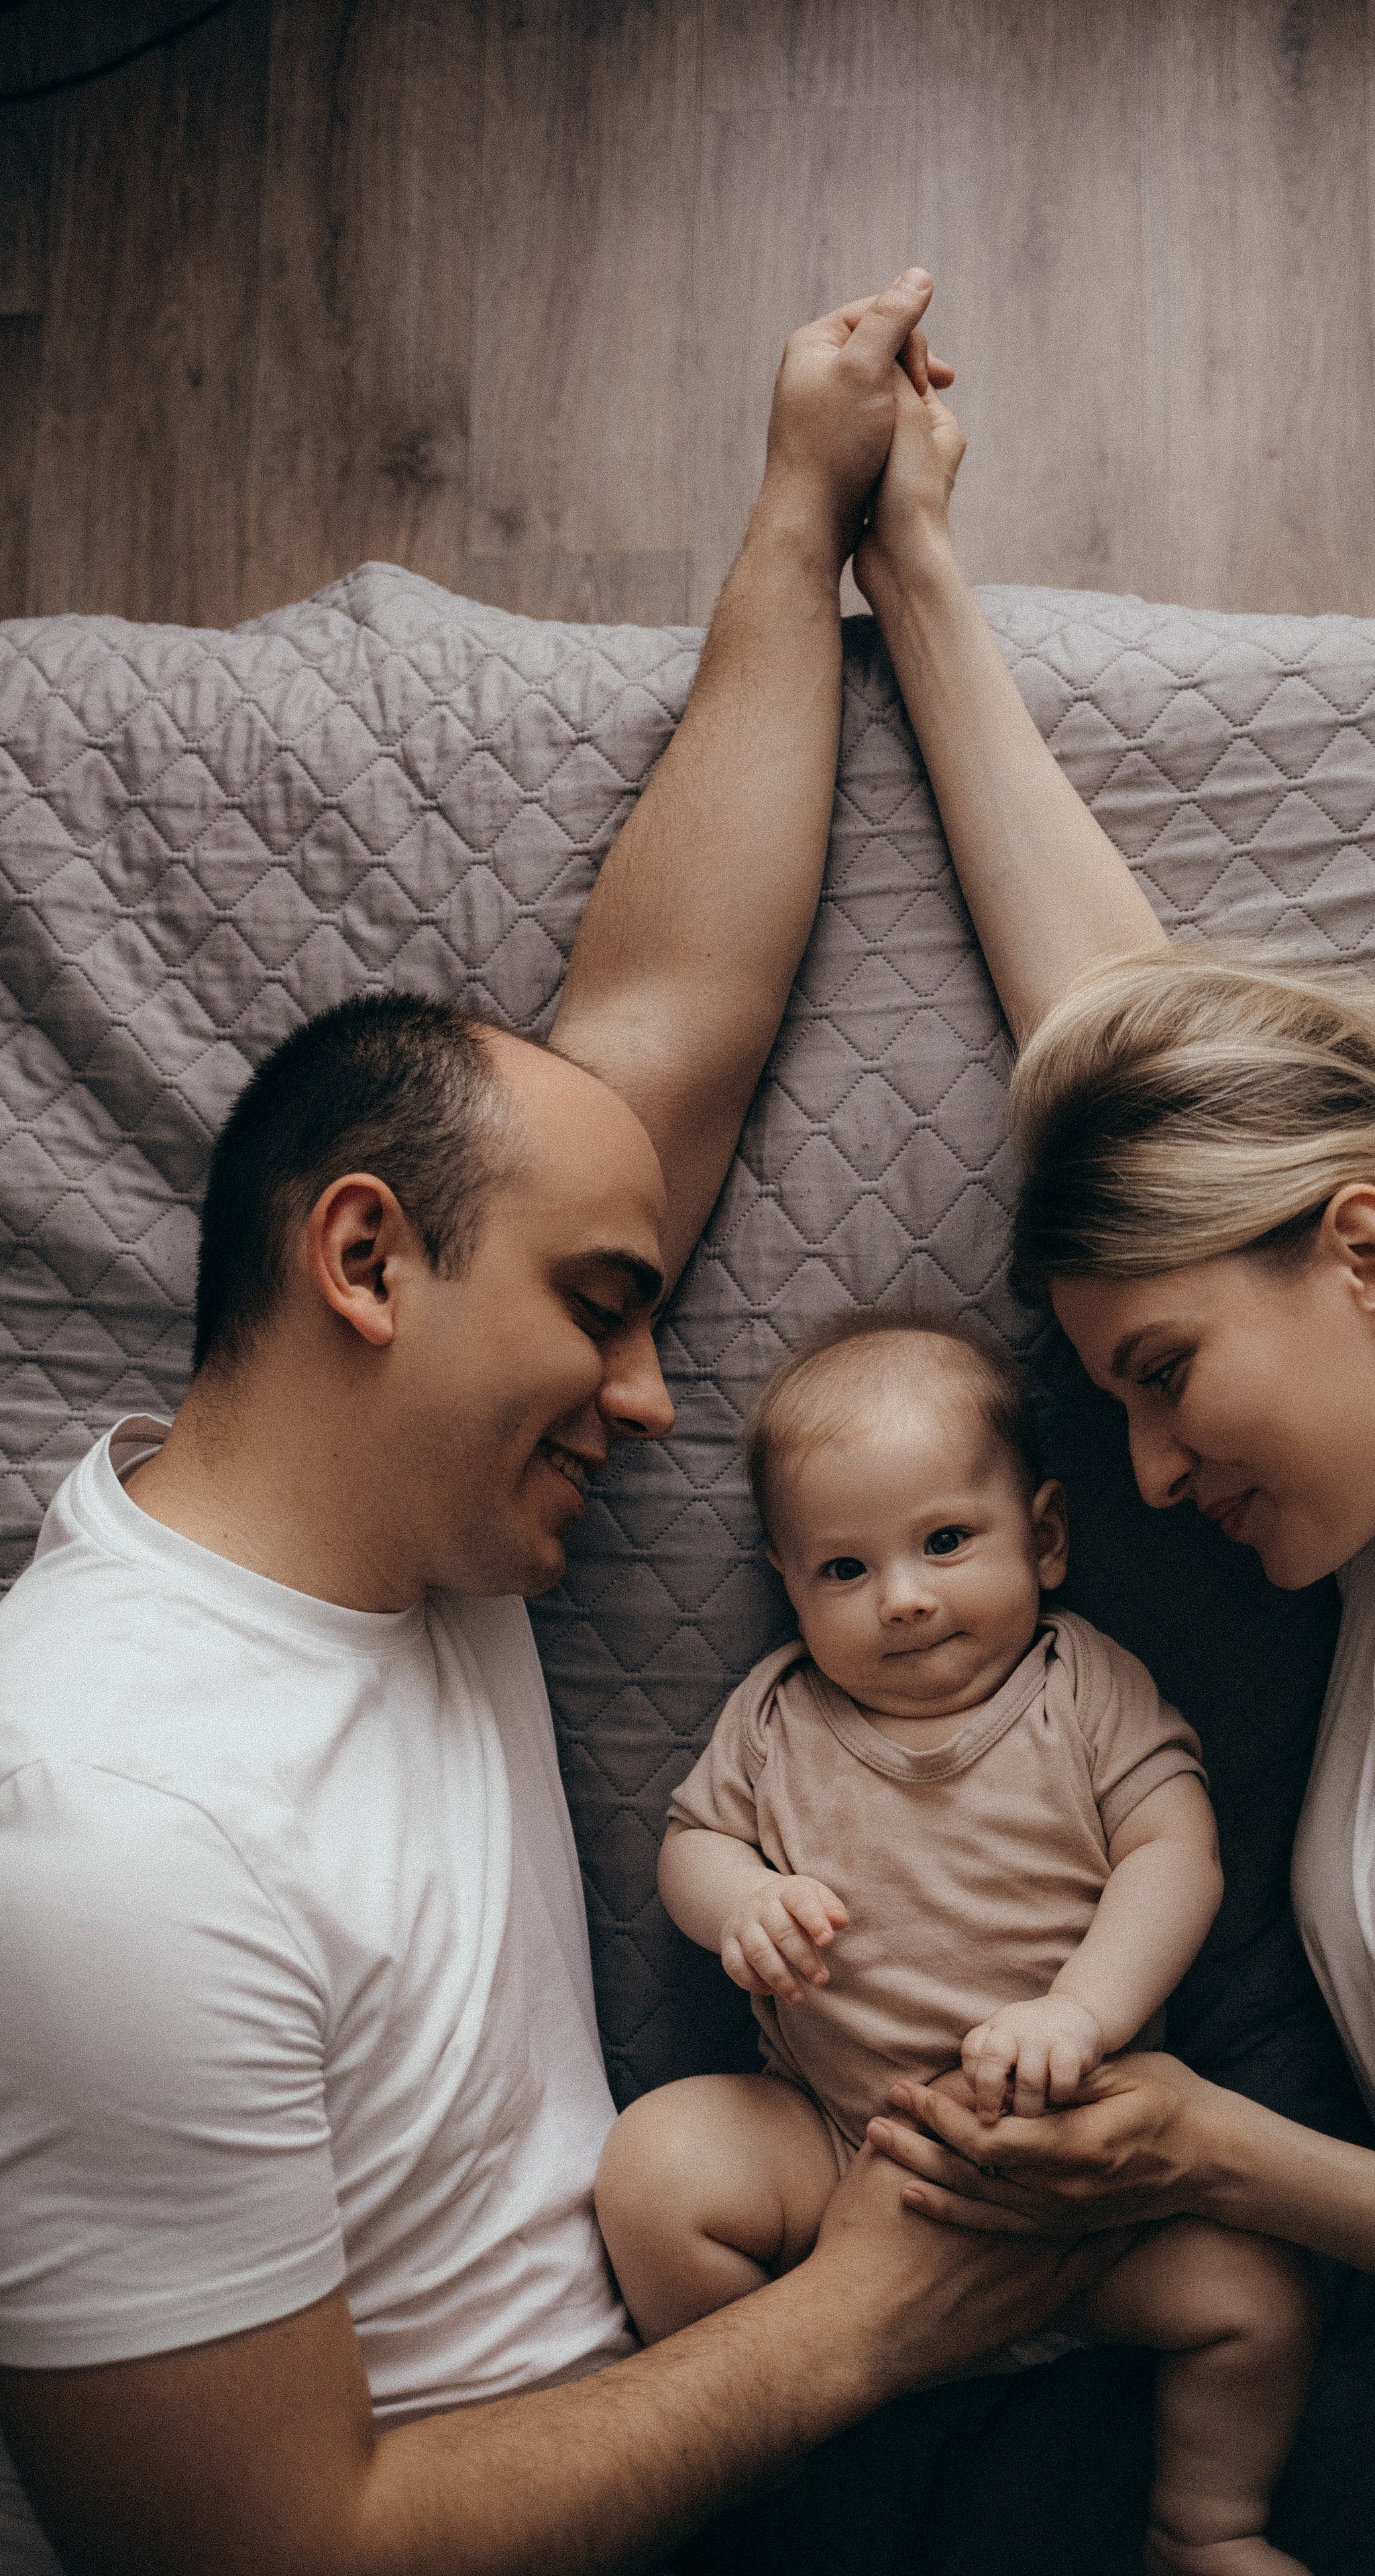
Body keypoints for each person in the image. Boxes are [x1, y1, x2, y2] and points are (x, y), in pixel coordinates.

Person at [0, 275, 1125, 2576]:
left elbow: (665, 1021)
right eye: (605, 1314)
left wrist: (809, 502)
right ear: (367, 1264)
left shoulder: (396, 1530)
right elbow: (268, 2552)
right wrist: (865, 2333)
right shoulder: (92, 1832)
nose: (661, 1383)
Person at [840, 356, 1375, 2575]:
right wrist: (915, 565)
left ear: (1371, 1254)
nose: (1141, 1477)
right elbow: (1126, 1064)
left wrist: (1219, 2159)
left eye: (1158, 1380)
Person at [596, 1311, 1317, 2576]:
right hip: (836, 2145)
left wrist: (1080, 2016)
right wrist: (743, 1903)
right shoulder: (777, 1713)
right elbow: (688, 1844)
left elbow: (1174, 1854)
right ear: (786, 1580)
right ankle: (772, 2440)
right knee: (653, 2170)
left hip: (1077, 2171)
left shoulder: (1085, 1688)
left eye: (943, 1542)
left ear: (1042, 1537)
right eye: (844, 1571)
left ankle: (1206, 2522)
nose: (905, 1598)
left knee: (1260, 2292)